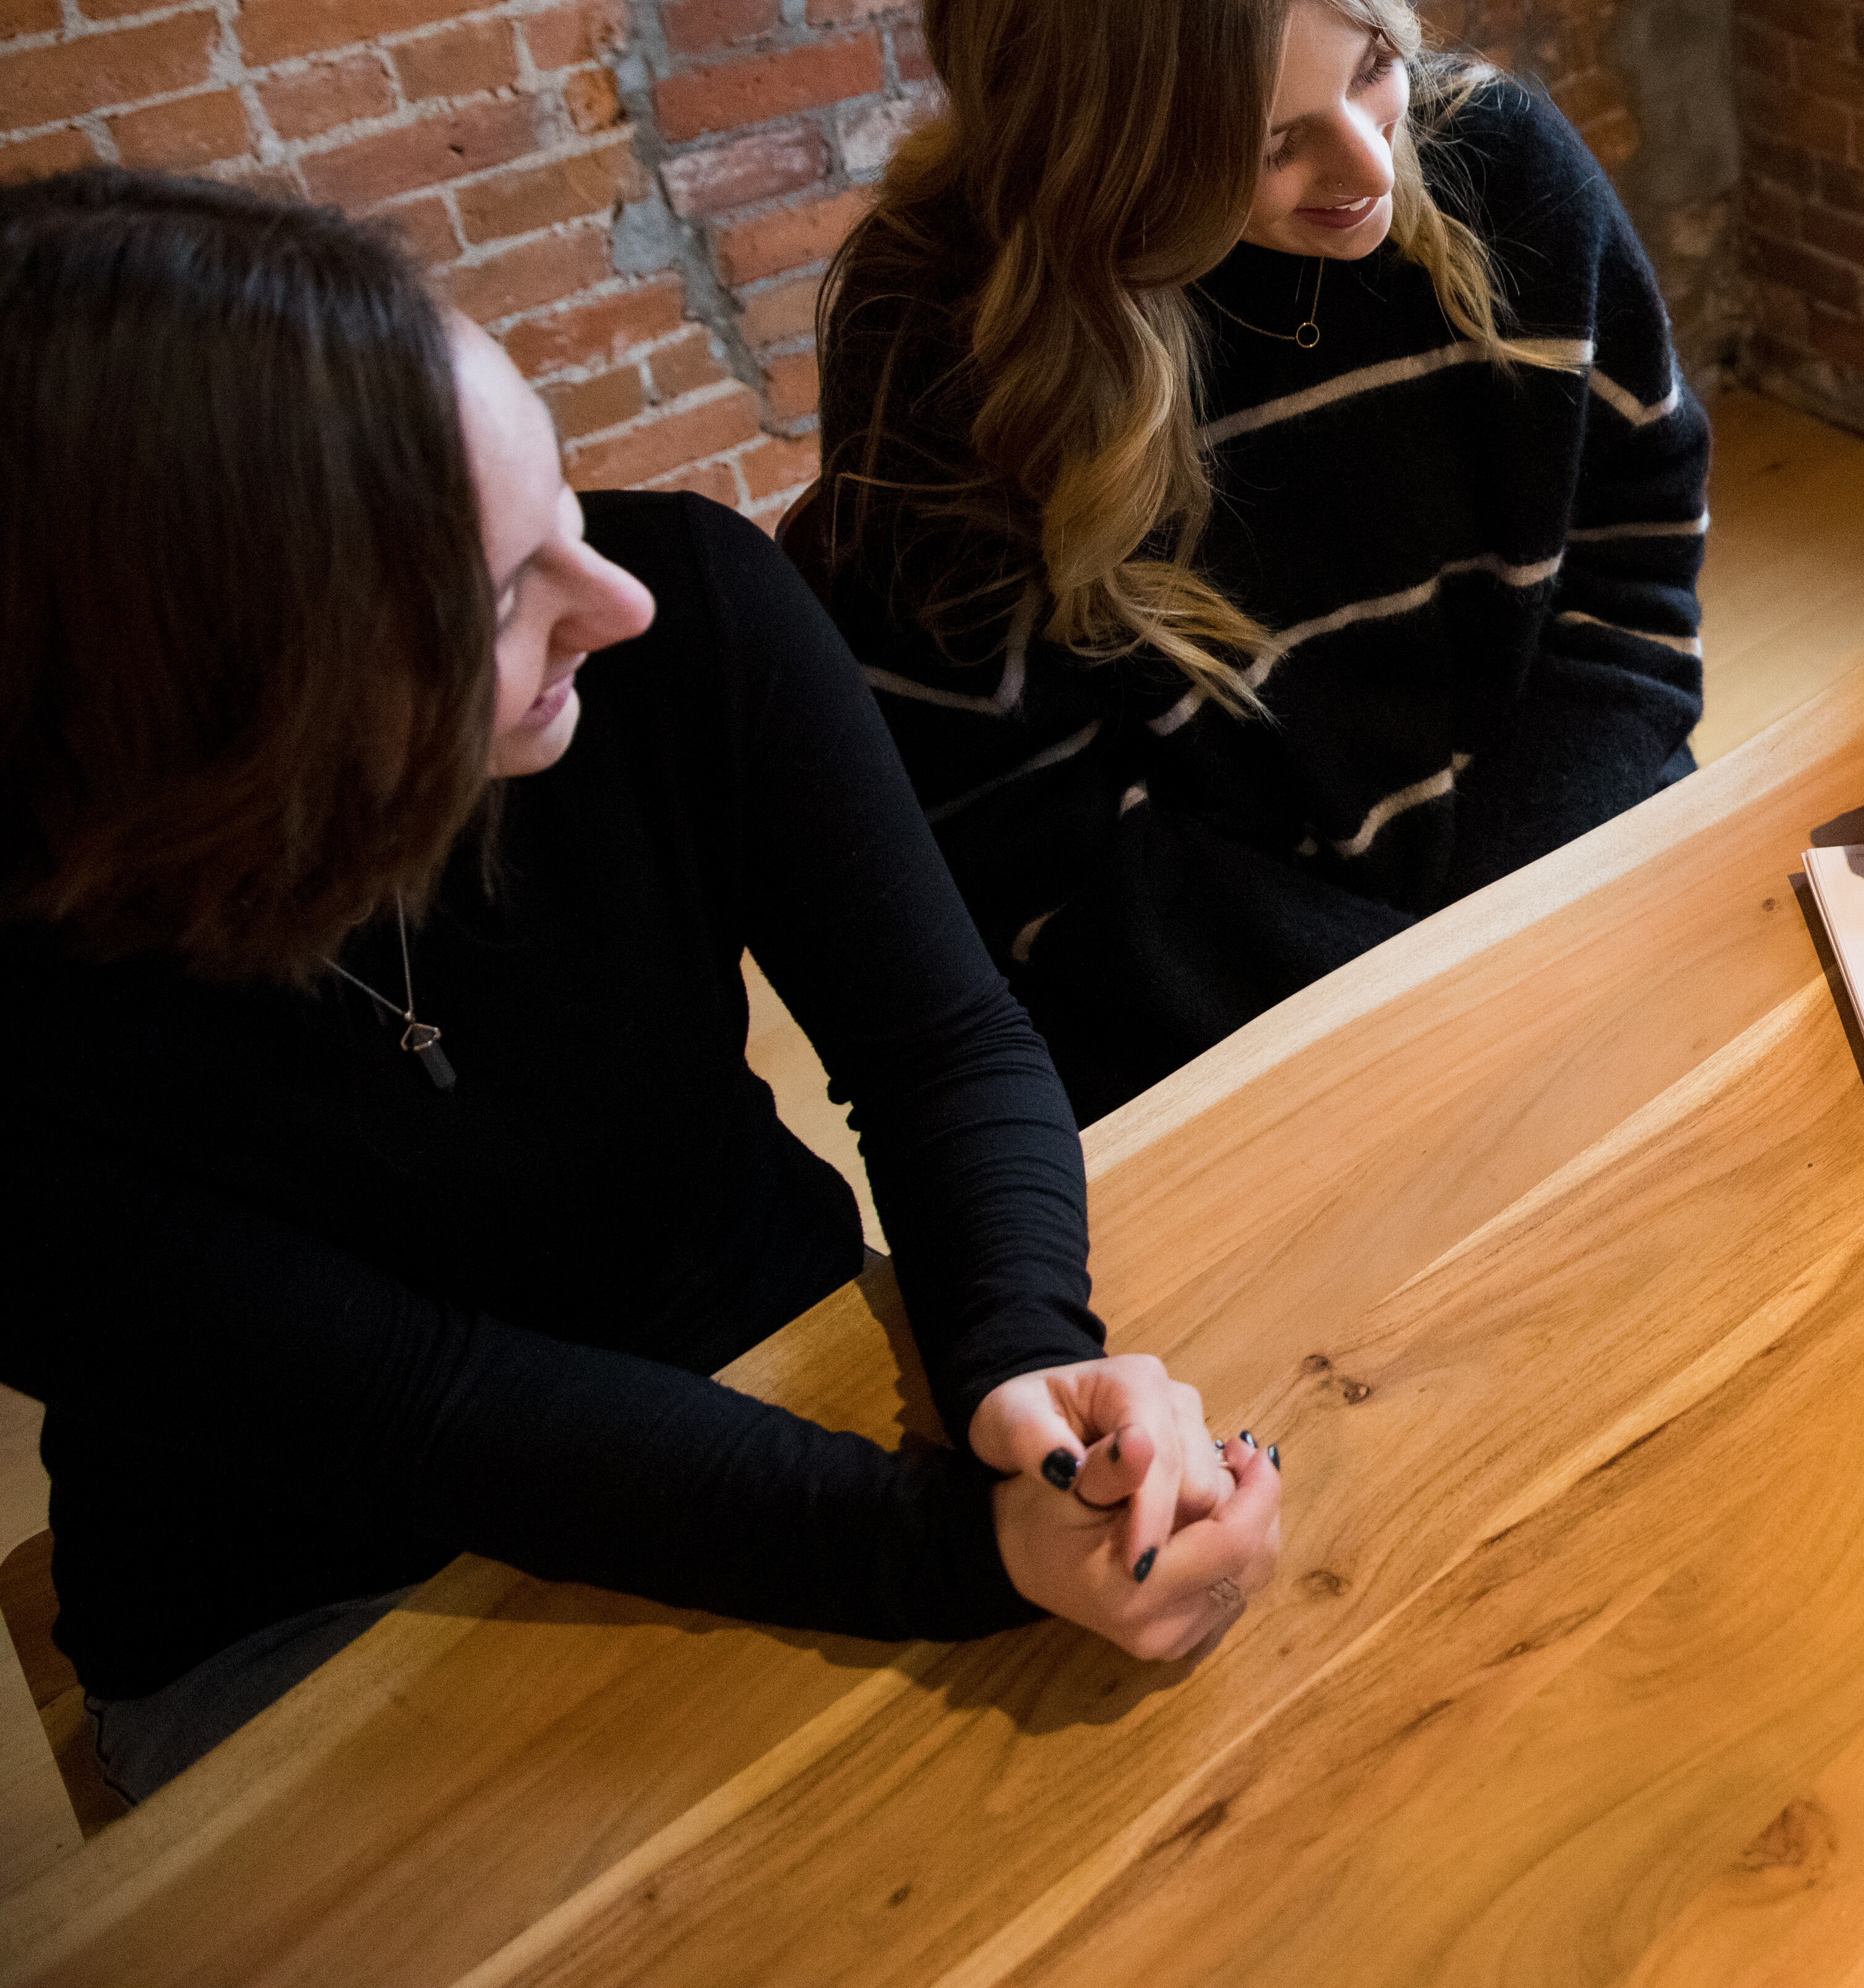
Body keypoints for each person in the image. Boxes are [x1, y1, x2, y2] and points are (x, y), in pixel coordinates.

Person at [0, 171, 1282, 1804]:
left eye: (564, 511)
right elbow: (433, 1408)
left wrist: (1021, 1366)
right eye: (498, 594)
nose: (615, 600)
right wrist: (958, 1551)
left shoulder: (681, 622)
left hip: (778, 1356)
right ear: (224, 723)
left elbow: (941, 1044)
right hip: (314, 1597)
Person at [783, 0, 1710, 1122]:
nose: (1366, 171)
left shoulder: (1503, 166)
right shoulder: (937, 337)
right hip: (1219, 1046)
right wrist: (1408, 1015)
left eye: (1375, 66)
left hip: (1554, 903)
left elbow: (1628, 583)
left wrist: (1506, 946)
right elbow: (1016, 833)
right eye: (1268, 142)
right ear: (1092, 151)